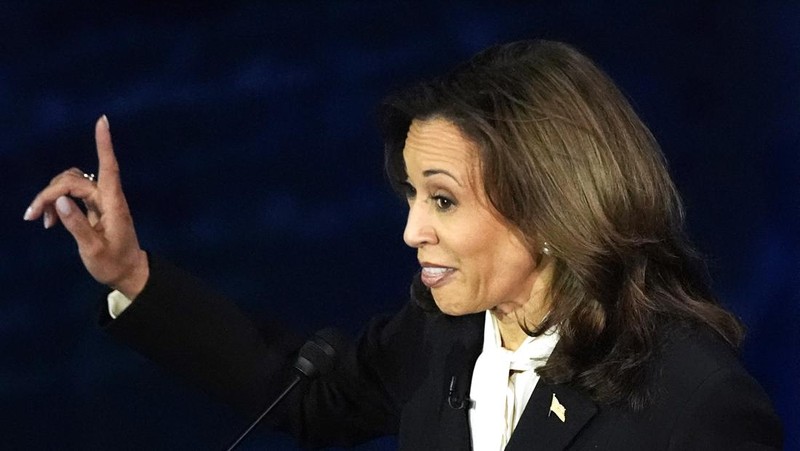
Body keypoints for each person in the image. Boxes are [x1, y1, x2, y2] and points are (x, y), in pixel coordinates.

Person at [24, 40, 781, 450]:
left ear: (549, 204)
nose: (412, 230)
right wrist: (131, 274)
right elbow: (305, 395)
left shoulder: (695, 402)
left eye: (442, 199)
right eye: (414, 195)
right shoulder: (439, 335)